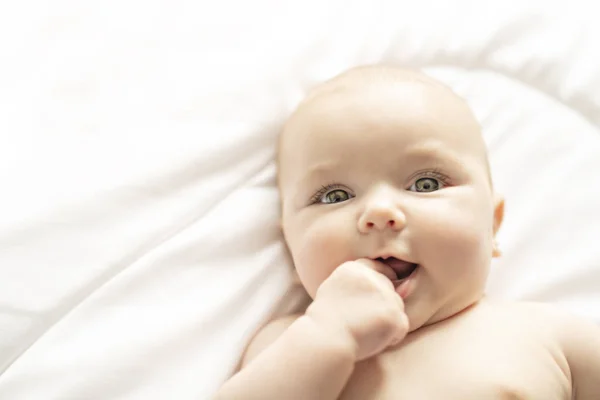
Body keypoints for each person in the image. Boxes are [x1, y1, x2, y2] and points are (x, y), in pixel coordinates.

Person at [215, 65, 600, 399]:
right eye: (334, 195)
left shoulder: (550, 337)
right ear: (292, 248)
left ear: (492, 224)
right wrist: (328, 335)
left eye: (426, 184)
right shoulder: (289, 346)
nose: (380, 211)